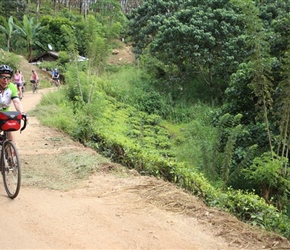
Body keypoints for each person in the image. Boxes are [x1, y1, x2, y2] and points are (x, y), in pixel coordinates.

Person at [0, 65, 25, 144]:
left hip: (4, 115)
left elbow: (16, 102)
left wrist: (22, 113)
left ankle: (11, 153)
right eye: (3, 77)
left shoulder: (12, 87)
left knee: (10, 131)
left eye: (8, 78)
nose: (6, 81)